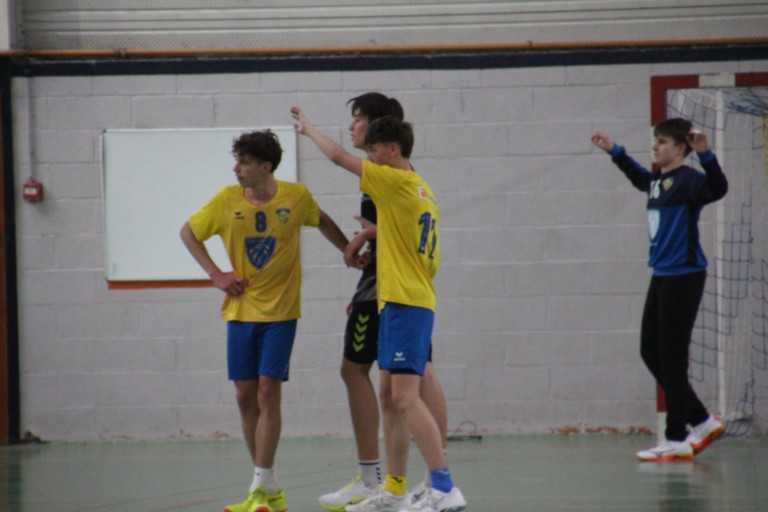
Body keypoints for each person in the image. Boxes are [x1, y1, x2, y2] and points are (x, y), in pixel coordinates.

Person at [292, 107, 466, 512]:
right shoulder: (421, 189)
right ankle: (394, 489)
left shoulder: (392, 180)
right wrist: (374, 233)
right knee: (389, 395)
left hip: (406, 302)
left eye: (373, 150)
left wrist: (308, 129)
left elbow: (338, 156)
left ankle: (444, 486)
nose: (369, 157)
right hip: (400, 299)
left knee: (406, 398)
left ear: (392, 149)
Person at [180, 130, 351, 512]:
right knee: (245, 397)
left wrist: (348, 250)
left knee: (268, 390)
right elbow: (188, 233)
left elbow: (322, 221)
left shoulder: (296, 197)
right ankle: (268, 485)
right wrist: (216, 274)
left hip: (280, 314)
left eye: (243, 162)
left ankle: (259, 486)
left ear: (266, 166)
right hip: (240, 313)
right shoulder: (226, 200)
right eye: (236, 161)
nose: (236, 169)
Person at [592, 118, 728, 462]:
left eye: (663, 142)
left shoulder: (690, 181)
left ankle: (677, 437)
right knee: (650, 350)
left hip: (685, 275)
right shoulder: (658, 181)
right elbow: (641, 178)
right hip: (663, 275)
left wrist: (706, 154)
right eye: (656, 141)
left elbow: (718, 188)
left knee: (672, 356)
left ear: (680, 148)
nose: (656, 147)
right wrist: (615, 151)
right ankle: (702, 420)